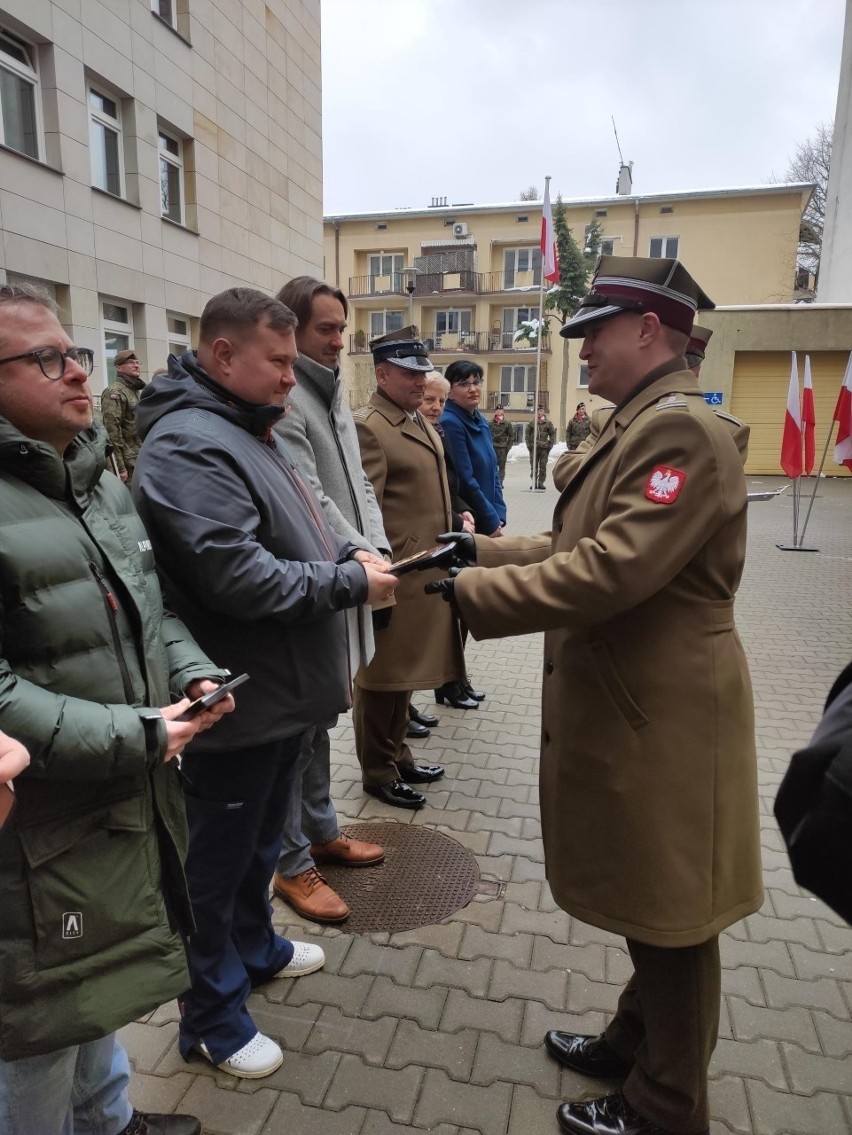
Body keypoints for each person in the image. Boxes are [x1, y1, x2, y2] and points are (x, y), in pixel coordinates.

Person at [428, 256, 762, 1135]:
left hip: (667, 712)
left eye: (592, 334)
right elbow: (573, 541)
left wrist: (469, 598)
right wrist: (477, 556)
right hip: (641, 702)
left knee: (675, 916)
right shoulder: (642, 423)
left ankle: (666, 1103)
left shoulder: (678, 431)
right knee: (656, 901)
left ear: (650, 330)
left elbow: (612, 570)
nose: (580, 353)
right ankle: (632, 1042)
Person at [133, 288, 398, 1079]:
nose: (292, 376)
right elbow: (236, 577)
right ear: (223, 355)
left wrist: (349, 560)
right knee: (213, 865)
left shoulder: (247, 428)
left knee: (255, 849)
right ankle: (211, 1016)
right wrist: (349, 582)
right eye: (277, 361)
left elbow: (306, 523)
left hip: (280, 696)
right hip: (237, 704)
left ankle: (255, 947)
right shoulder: (189, 444)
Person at [0, 283, 235, 1135]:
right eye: (46, 358)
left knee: (94, 986)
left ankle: (109, 1120)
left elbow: (152, 609)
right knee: (36, 1032)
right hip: (33, 826)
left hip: (117, 798)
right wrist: (137, 734)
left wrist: (197, 672)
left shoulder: (92, 476)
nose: (76, 372)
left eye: (77, 353)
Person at [269, 275, 388, 924]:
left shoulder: (331, 390)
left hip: (346, 579)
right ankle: (290, 863)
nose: (339, 341)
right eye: (326, 329)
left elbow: (359, 485)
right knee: (297, 732)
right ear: (290, 330)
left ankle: (320, 828)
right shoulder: (288, 400)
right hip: (315, 586)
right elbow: (311, 498)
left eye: (343, 329)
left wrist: (381, 548)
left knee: (319, 726)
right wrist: (361, 559)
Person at [353, 329, 468, 809]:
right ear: (382, 374)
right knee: (381, 680)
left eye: (423, 372)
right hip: (395, 575)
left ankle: (398, 755)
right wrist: (378, 568)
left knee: (403, 678)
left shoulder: (413, 420)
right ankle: (376, 771)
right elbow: (365, 508)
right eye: (409, 373)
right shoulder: (371, 426)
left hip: (423, 572)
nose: (420, 381)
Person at [440, 359, 506, 540]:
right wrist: (491, 520)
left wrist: (499, 513)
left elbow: (494, 472)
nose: (473, 389)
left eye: (476, 382)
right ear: (450, 392)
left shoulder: (480, 420)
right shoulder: (450, 422)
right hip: (470, 519)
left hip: (489, 516)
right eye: (463, 384)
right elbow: (466, 480)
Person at [100, 348, 145, 483]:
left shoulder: (134, 391)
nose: (136, 365)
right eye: (131, 362)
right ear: (118, 367)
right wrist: (120, 467)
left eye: (137, 362)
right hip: (128, 462)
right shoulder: (114, 392)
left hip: (139, 457)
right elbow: (112, 431)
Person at [525, 409, 557, 489]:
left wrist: (550, 445)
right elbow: (527, 435)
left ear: (543, 412)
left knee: (543, 467)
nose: (539, 413)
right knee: (534, 467)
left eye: (541, 411)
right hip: (534, 448)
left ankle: (540, 483)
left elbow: (552, 434)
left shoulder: (548, 423)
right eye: (538, 411)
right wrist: (529, 445)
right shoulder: (532, 423)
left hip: (544, 449)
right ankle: (534, 482)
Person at [489, 407, 514, 483]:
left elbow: (511, 436)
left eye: (500, 410)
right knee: (492, 465)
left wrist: (508, 447)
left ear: (503, 411)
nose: (498, 411)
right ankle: (493, 481)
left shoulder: (507, 423)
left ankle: (500, 482)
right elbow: (487, 434)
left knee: (501, 467)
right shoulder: (490, 423)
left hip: (502, 448)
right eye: (496, 410)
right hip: (493, 447)